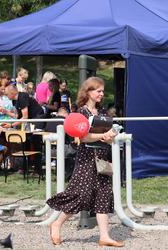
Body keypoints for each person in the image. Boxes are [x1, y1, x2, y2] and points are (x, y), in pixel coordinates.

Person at [46, 77, 124, 247]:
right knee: (80, 194)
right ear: (88, 92)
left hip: (102, 157)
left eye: (102, 91)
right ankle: (57, 224)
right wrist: (102, 136)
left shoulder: (103, 113)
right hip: (86, 158)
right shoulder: (80, 113)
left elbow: (108, 139)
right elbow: (82, 136)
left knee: (104, 194)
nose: (102, 94)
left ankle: (104, 236)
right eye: (98, 91)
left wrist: (111, 136)